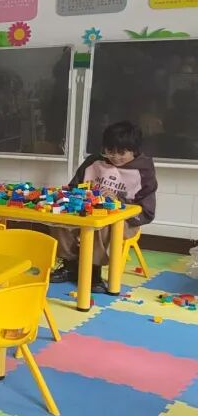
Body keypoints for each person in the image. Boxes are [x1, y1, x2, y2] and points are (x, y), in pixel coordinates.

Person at [50, 120, 157, 291]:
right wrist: (80, 194)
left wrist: (118, 201)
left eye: (122, 152)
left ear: (134, 150)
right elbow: (74, 187)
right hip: (86, 211)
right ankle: (70, 265)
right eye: (110, 151)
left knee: (101, 225)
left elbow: (146, 209)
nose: (115, 157)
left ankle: (93, 270)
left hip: (125, 220)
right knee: (60, 218)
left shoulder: (143, 171)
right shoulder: (94, 162)